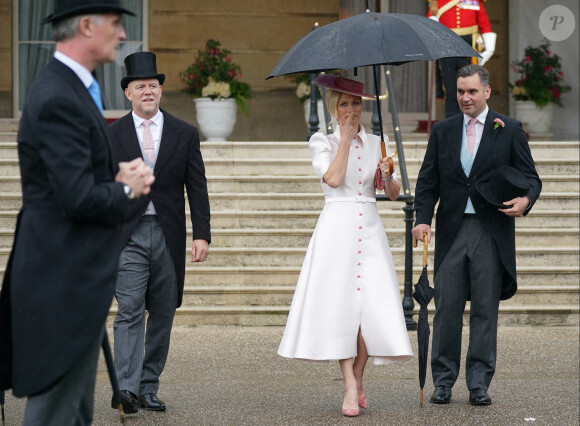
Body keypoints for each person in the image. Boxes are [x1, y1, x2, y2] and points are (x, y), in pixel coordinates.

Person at [0, 1, 155, 424]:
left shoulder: (72, 87)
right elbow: (75, 199)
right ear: (86, 26)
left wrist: (114, 175)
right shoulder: (57, 95)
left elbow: (70, 180)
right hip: (60, 280)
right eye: (116, 24)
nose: (123, 35)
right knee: (56, 415)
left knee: (73, 414)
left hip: (71, 279)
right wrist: (125, 187)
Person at [278, 75, 413, 417]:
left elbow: (393, 193)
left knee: (369, 309)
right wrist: (345, 142)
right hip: (336, 228)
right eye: (344, 104)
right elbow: (334, 179)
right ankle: (350, 384)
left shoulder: (377, 141)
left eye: (356, 103)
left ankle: (358, 376)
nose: (351, 110)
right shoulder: (320, 142)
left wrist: (388, 173)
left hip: (369, 227)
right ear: (333, 109)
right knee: (342, 307)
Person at [411, 64, 541, 406]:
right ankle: (443, 381)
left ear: (486, 91)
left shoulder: (509, 128)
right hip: (452, 231)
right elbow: (428, 181)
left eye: (471, 91)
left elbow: (532, 178)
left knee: (485, 309)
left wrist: (526, 199)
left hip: (490, 231)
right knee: (447, 309)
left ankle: (479, 383)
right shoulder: (443, 130)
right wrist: (422, 219)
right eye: (459, 92)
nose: (465, 98)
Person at [109, 51, 211, 414]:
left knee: (164, 311)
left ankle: (148, 385)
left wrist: (202, 234)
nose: (148, 91)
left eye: (153, 85)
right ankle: (127, 389)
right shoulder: (113, 135)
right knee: (130, 311)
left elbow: (196, 187)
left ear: (160, 91)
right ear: (129, 93)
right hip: (129, 236)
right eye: (141, 86)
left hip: (169, 235)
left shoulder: (185, 133)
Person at [428, 0, 496, 118]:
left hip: (468, 46)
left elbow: (484, 24)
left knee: (470, 87)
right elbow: (429, 24)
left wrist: (489, 48)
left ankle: (471, 121)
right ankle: (452, 123)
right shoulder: (438, 2)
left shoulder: (474, 2)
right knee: (451, 89)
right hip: (447, 44)